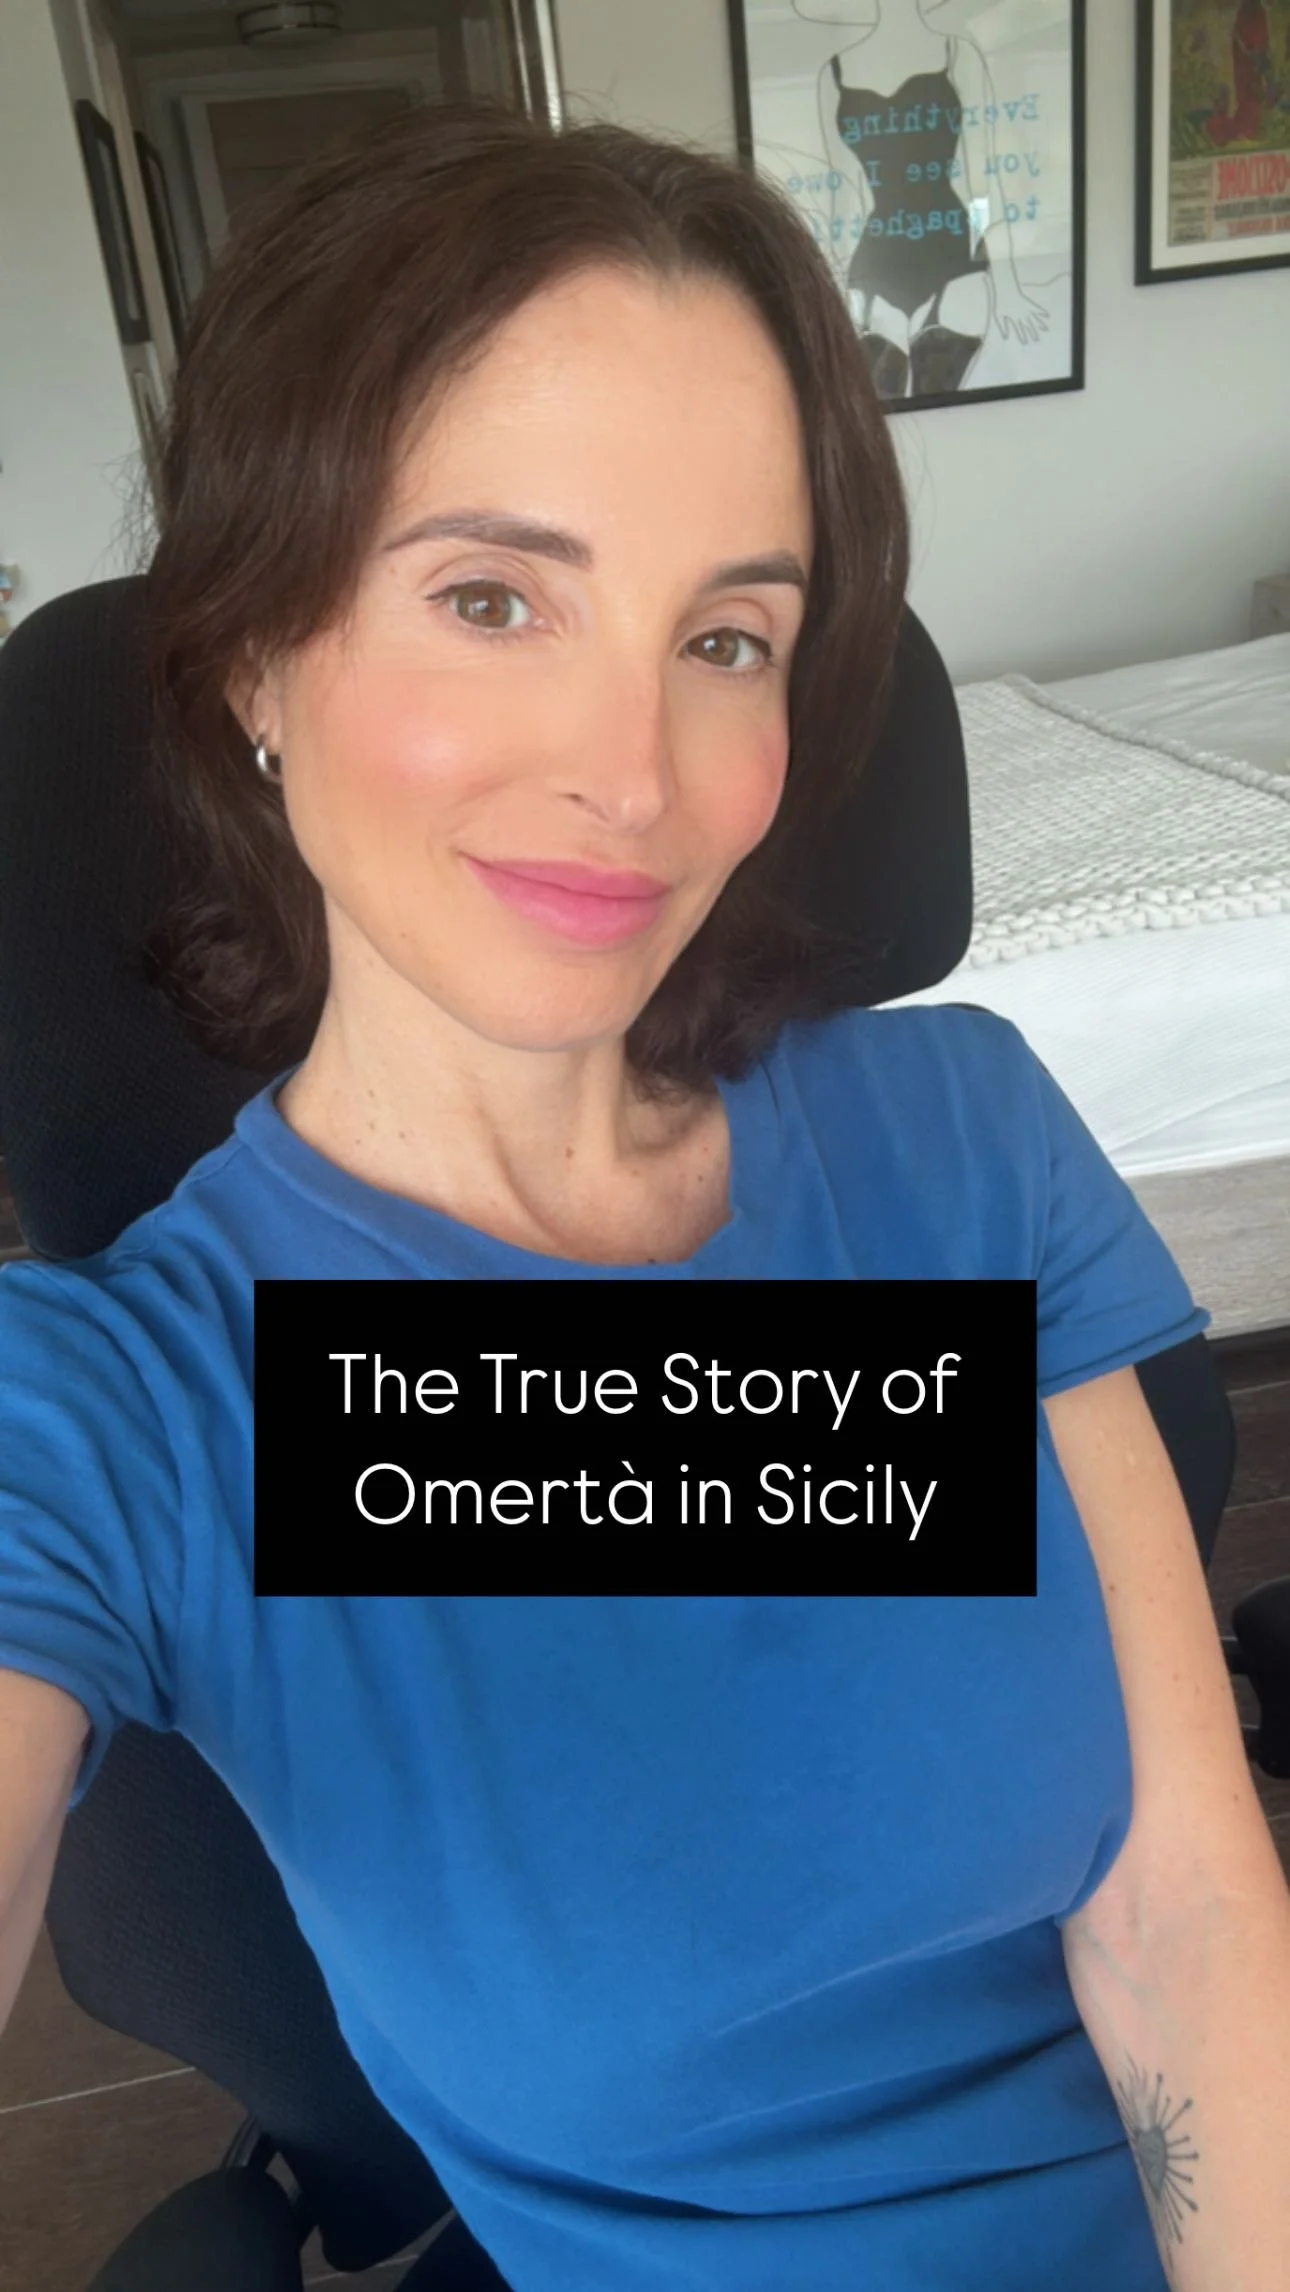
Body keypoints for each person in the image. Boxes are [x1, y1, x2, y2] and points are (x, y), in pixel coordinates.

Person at [1, 99, 1289, 2292]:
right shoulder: (134, 1413)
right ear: (254, 660)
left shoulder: (956, 1140)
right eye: (492, 597)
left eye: (726, 638)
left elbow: (1180, 1912)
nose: (633, 775)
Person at [804, 0, 1049, 398]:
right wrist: (827, 298)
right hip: (872, 271)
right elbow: (840, 198)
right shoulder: (832, 76)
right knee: (882, 424)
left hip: (955, 262)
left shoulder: (958, 55)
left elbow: (987, 178)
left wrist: (1008, 283)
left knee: (943, 410)